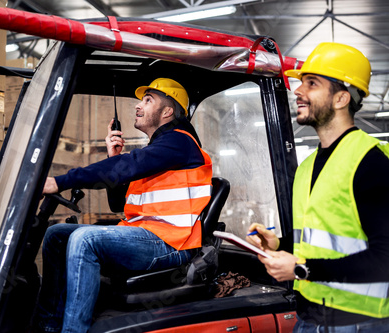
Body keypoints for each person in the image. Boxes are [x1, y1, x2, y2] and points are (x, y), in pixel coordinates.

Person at [33, 78, 213, 333]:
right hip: (147, 235)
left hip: (172, 242)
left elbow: (128, 167)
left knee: (85, 239)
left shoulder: (180, 142)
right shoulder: (159, 151)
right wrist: (113, 157)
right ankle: (48, 325)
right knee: (57, 235)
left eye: (148, 100)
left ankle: (73, 330)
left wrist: (59, 182)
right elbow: (119, 203)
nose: (138, 106)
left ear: (168, 111)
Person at [246, 42, 389, 332]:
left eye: (312, 83)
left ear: (340, 99)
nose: (298, 91)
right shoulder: (307, 167)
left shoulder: (371, 163)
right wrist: (279, 245)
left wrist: (300, 268)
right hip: (309, 319)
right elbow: (320, 241)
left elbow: (384, 258)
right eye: (301, 83)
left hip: (359, 323)